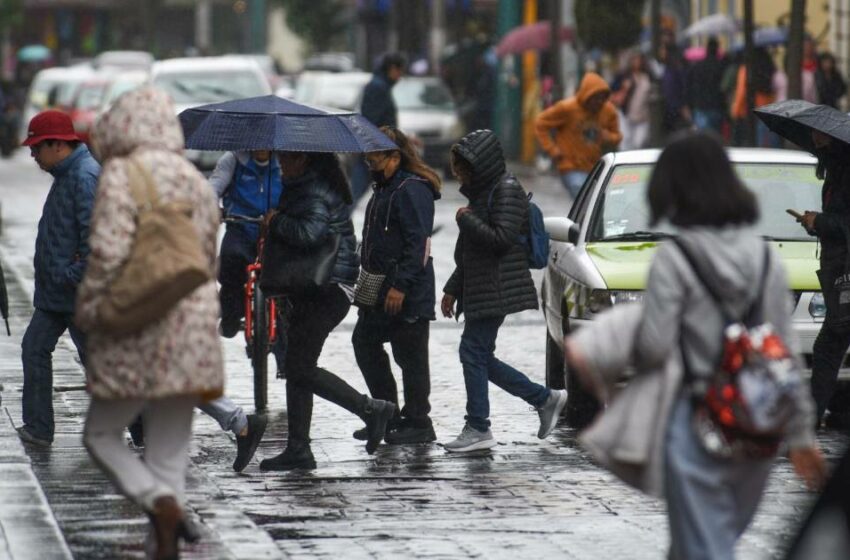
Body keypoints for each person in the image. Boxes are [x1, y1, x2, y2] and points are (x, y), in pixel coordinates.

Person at [566, 132, 825, 559]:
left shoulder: (674, 259)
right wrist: (800, 435)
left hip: (694, 422)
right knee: (699, 543)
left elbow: (654, 346)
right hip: (755, 429)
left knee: (703, 545)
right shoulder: (765, 261)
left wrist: (613, 338)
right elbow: (785, 358)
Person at [76, 87, 224, 559]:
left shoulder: (121, 174)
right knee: (169, 453)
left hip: (140, 319)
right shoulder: (193, 179)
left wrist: (93, 308)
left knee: (101, 434)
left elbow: (108, 253)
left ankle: (158, 503)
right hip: (194, 323)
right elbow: (207, 255)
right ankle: (164, 539)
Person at [258, 151, 396, 471]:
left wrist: (276, 220)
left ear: (303, 159)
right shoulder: (303, 185)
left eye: (286, 159)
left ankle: (370, 409)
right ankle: (298, 448)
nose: (281, 164)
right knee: (297, 364)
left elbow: (310, 233)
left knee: (300, 367)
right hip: (313, 288)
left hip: (328, 286)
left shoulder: (313, 189)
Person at [441, 129, 568, 453]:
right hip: (482, 285)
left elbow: (500, 239)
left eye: (463, 168)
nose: (459, 174)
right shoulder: (482, 194)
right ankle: (543, 399)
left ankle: (479, 426)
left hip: (496, 286)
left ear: (480, 164)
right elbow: (472, 252)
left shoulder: (506, 190)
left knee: (472, 352)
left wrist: (466, 220)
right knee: (480, 355)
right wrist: (453, 288)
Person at [351, 126, 441, 445]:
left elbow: (418, 244)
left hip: (407, 293)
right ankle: (386, 412)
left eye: (375, 159)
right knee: (364, 341)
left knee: (411, 357)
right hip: (378, 289)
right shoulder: (384, 188)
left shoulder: (412, 189)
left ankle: (418, 421)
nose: (371, 166)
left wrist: (401, 286)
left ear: (394, 156)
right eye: (367, 161)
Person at [16, 110, 99, 447]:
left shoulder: (84, 177)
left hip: (75, 293)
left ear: (58, 145)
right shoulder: (68, 174)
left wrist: (70, 276)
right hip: (57, 294)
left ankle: (142, 424)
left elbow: (97, 242)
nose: (34, 155)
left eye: (37, 148)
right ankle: (38, 428)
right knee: (35, 349)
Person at [795, 129, 850, 428]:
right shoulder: (836, 171)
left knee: (828, 347)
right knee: (830, 346)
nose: (815, 143)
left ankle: (809, 421)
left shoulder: (844, 171)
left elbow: (844, 222)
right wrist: (814, 223)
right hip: (839, 271)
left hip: (845, 274)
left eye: (820, 138)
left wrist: (821, 221)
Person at [208, 150, 283, 342]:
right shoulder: (232, 160)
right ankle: (231, 314)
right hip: (240, 228)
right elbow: (212, 189)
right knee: (229, 262)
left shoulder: (285, 161)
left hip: (276, 230)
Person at [534, 72, 622, 199]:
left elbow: (617, 136)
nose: (599, 102)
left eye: (603, 98)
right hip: (571, 167)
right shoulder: (567, 108)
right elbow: (540, 123)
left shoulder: (608, 111)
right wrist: (552, 150)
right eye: (596, 98)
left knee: (596, 205)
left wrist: (609, 137)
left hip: (595, 168)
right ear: (587, 95)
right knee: (583, 196)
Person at [350, 53, 406, 207]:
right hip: (376, 149)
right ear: (393, 69)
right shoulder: (378, 87)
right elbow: (371, 119)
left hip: (378, 147)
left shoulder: (380, 85)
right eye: (400, 71)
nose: (400, 76)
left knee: (392, 188)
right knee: (356, 191)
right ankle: (339, 225)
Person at [611, 52, 651, 150]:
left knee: (639, 142)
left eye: (639, 60)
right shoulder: (624, 76)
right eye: (634, 60)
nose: (637, 62)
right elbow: (612, 92)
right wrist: (624, 89)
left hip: (642, 115)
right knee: (626, 142)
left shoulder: (647, 76)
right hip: (627, 115)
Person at [686, 37, 725, 134]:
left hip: (701, 106)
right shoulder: (721, 66)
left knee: (703, 136)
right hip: (717, 105)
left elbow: (690, 85)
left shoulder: (697, 66)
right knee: (716, 135)